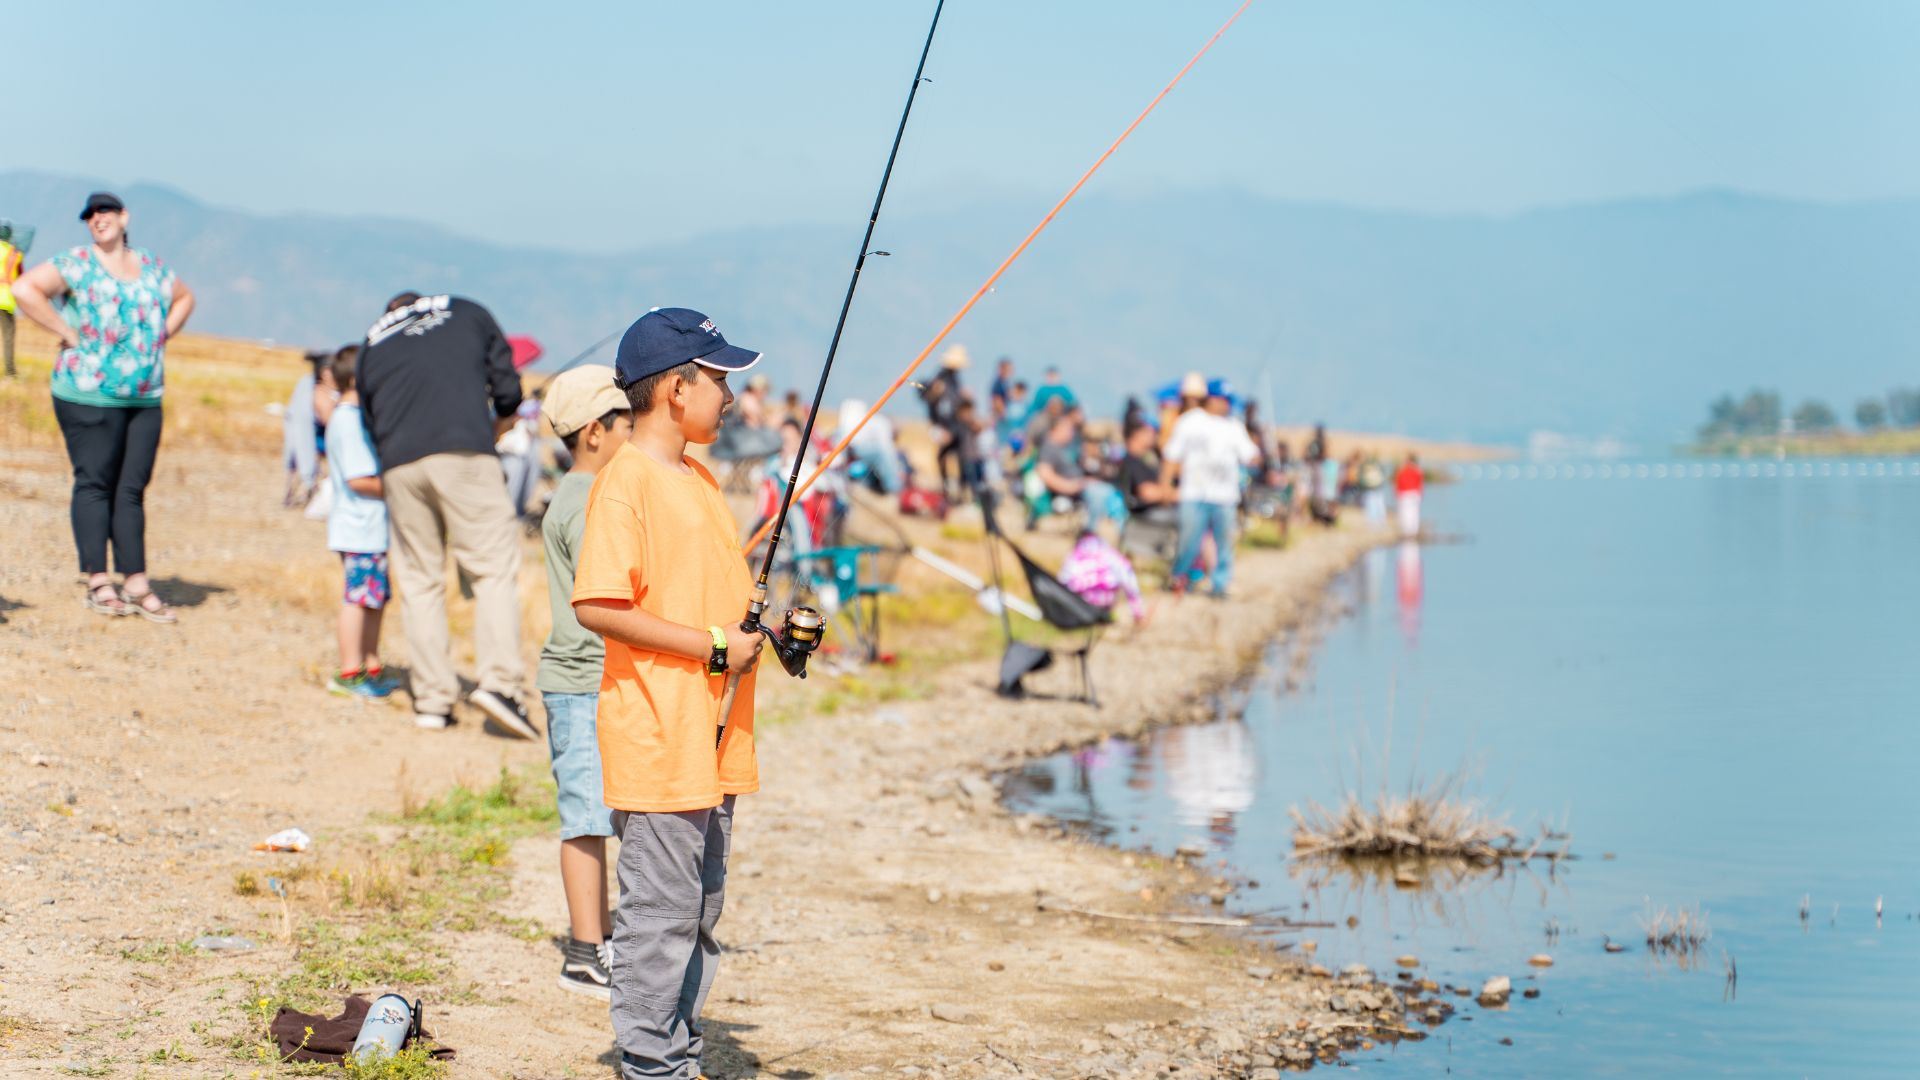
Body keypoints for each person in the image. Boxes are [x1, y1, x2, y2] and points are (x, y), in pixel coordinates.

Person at [570, 307, 768, 1080]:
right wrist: (717, 646)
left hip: (713, 739)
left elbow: (710, 600)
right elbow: (600, 606)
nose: (730, 396)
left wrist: (771, 629)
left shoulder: (701, 477)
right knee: (659, 919)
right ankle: (651, 1064)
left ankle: (677, 1051)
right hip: (659, 738)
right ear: (675, 389)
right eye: (718, 379)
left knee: (702, 912)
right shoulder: (627, 482)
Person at [10, 192, 195, 621]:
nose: (97, 219)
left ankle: (136, 581)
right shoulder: (76, 263)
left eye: (105, 212)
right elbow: (24, 288)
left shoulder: (151, 266)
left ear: (124, 216)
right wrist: (68, 332)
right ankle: (98, 580)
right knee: (95, 482)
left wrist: (160, 336)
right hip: (87, 392)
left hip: (145, 395)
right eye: (90, 216)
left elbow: (185, 297)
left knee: (131, 488)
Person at [356, 291, 532, 735]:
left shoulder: (373, 341)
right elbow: (509, 390)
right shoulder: (468, 310)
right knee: (492, 570)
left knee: (420, 582)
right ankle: (501, 687)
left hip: (398, 464)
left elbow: (370, 419)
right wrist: (492, 426)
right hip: (466, 453)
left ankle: (432, 701)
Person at [535, 364, 634, 999]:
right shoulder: (585, 504)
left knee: (599, 813)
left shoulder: (583, 495)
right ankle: (583, 952)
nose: (635, 434)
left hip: (593, 681)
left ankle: (601, 938)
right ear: (595, 432)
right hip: (580, 684)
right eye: (628, 424)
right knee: (586, 820)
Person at [322, 346, 396, 699]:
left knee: (374, 599)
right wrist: (399, 486)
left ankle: (371, 664)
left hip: (369, 529)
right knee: (358, 599)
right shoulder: (349, 422)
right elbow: (359, 479)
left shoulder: (352, 418)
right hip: (359, 528)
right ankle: (349, 672)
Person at [1161, 386, 1259, 599]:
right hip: (1193, 493)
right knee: (1188, 541)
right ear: (1212, 399)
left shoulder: (1234, 426)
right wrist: (1166, 487)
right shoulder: (1190, 421)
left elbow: (1251, 456)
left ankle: (1220, 585)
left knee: (1224, 544)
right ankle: (1179, 579)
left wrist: (1254, 432)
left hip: (1224, 497)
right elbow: (1171, 455)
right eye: (1224, 399)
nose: (1227, 404)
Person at [1032, 414, 1123, 530]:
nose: (1071, 433)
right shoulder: (1049, 447)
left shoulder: (1065, 448)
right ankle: (1092, 533)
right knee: (1102, 492)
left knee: (1110, 491)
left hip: (1081, 488)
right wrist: (1075, 486)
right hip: (1069, 494)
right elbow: (1045, 474)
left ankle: (1109, 532)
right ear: (1056, 429)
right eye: (1068, 429)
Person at [1, 221, 22, 378]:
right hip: (6, 300)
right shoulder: (15, 254)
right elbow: (22, 277)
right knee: (8, 336)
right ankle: (10, 372)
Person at [1395, 453, 1424, 539]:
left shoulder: (1402, 470)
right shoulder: (1418, 470)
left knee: (1405, 512)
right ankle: (1413, 531)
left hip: (1405, 493)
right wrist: (1420, 493)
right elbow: (1420, 483)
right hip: (1414, 493)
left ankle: (1407, 531)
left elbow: (1398, 482)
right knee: (1414, 512)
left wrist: (1397, 492)